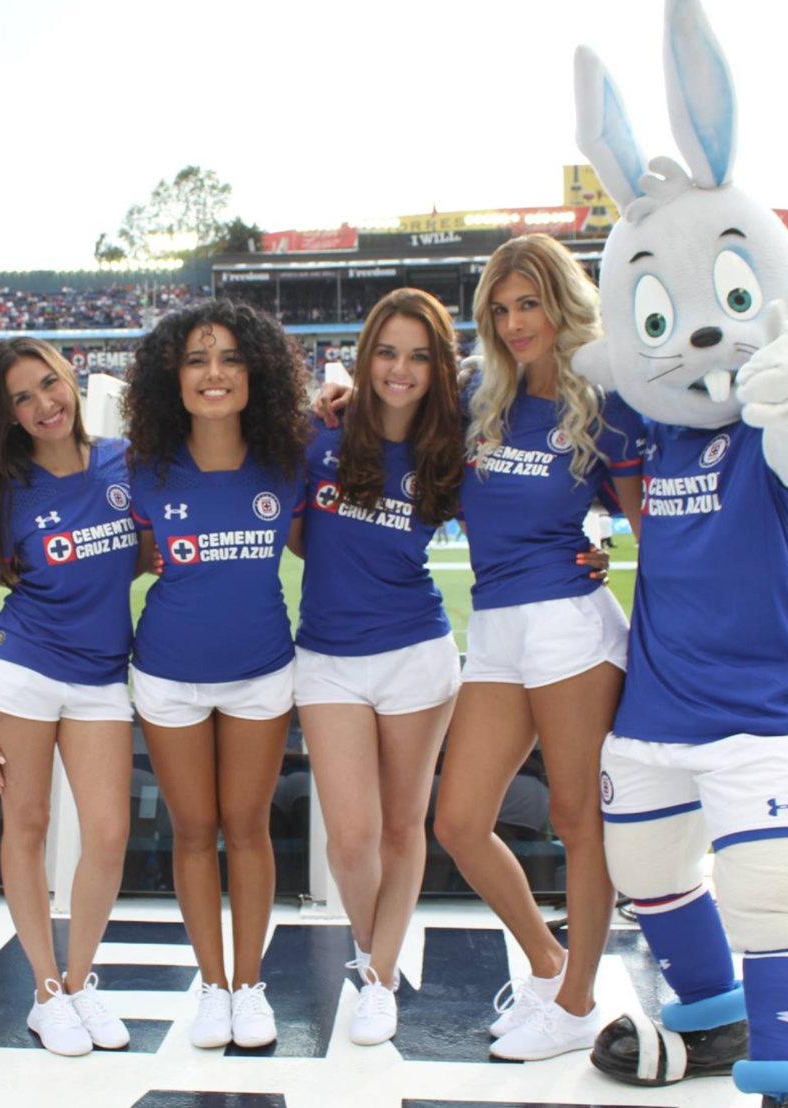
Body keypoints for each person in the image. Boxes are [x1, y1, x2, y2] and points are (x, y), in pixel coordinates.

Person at [432, 234, 643, 1061]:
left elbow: (643, 525)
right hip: (494, 628)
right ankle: (551, 966)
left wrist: (610, 554)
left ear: (561, 305)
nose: (516, 322)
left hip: (571, 627)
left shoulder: (606, 402)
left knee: (576, 820)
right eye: (502, 307)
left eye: (530, 304)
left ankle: (581, 1002)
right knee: (457, 820)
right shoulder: (481, 398)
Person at [121, 299, 312, 1050]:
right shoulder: (140, 469)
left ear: (255, 370)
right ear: (172, 376)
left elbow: (329, 546)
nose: (214, 374)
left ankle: (250, 984)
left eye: (231, 358)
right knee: (195, 831)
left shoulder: (288, 462)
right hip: (167, 675)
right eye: (197, 359)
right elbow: (121, 554)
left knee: (248, 827)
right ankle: (211, 987)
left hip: (262, 672)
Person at [0, 337, 142, 1057]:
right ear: (8, 416)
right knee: (26, 826)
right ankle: (44, 991)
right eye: (22, 399)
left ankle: (78, 977)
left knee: (107, 833)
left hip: (101, 677)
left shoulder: (126, 459)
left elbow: (154, 547)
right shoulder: (4, 488)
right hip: (21, 669)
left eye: (49, 384)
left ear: (71, 377)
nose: (43, 405)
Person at [292, 289, 465, 1046]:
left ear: (438, 368)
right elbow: (298, 538)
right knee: (349, 838)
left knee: (402, 827)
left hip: (416, 654)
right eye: (387, 352)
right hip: (326, 656)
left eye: (419, 355)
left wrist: (591, 556)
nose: (400, 369)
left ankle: (379, 978)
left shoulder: (450, 446)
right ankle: (376, 954)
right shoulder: (319, 433)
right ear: (365, 358)